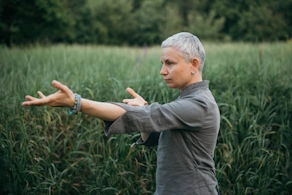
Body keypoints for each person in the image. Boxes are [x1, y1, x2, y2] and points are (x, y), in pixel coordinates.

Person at [22, 32, 220, 195]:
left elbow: (149, 116)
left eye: (170, 63)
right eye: (162, 63)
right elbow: (161, 135)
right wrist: (144, 114)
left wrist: (77, 102)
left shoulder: (199, 104)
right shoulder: (187, 100)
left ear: (194, 64)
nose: (162, 70)